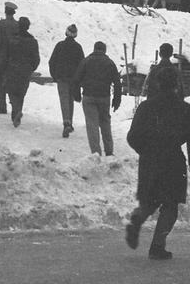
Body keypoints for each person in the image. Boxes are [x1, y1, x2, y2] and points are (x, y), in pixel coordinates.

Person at [125, 68, 190, 260]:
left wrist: (145, 151)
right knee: (170, 206)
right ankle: (157, 246)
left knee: (150, 200)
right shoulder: (185, 109)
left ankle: (137, 219)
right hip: (173, 162)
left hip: (149, 161)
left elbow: (132, 137)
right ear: (176, 85)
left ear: (157, 84)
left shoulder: (146, 107)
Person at [71, 41, 122, 156]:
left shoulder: (86, 61)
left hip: (88, 96)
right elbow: (117, 83)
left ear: (94, 49)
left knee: (92, 124)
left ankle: (96, 153)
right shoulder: (109, 63)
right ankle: (109, 151)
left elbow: (76, 79)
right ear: (104, 50)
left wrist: (77, 94)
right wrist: (117, 99)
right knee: (105, 123)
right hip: (104, 97)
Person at [0, 16, 40, 127]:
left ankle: (16, 111)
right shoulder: (33, 41)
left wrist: (2, 68)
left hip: (12, 69)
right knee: (21, 93)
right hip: (25, 71)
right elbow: (36, 59)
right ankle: (17, 114)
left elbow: (5, 55)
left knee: (11, 91)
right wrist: (31, 68)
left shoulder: (11, 39)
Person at [48, 25, 85, 138]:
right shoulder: (78, 47)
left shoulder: (60, 45)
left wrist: (54, 75)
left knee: (64, 99)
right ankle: (70, 122)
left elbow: (51, 61)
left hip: (62, 77)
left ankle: (66, 122)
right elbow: (82, 64)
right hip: (73, 79)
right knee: (70, 100)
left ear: (66, 33)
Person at [0, 1, 19, 114]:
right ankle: (14, 106)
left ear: (5, 11)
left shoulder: (1, 24)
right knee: (11, 81)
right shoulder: (17, 25)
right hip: (13, 58)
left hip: (2, 57)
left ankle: (2, 106)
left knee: (0, 81)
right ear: (14, 12)